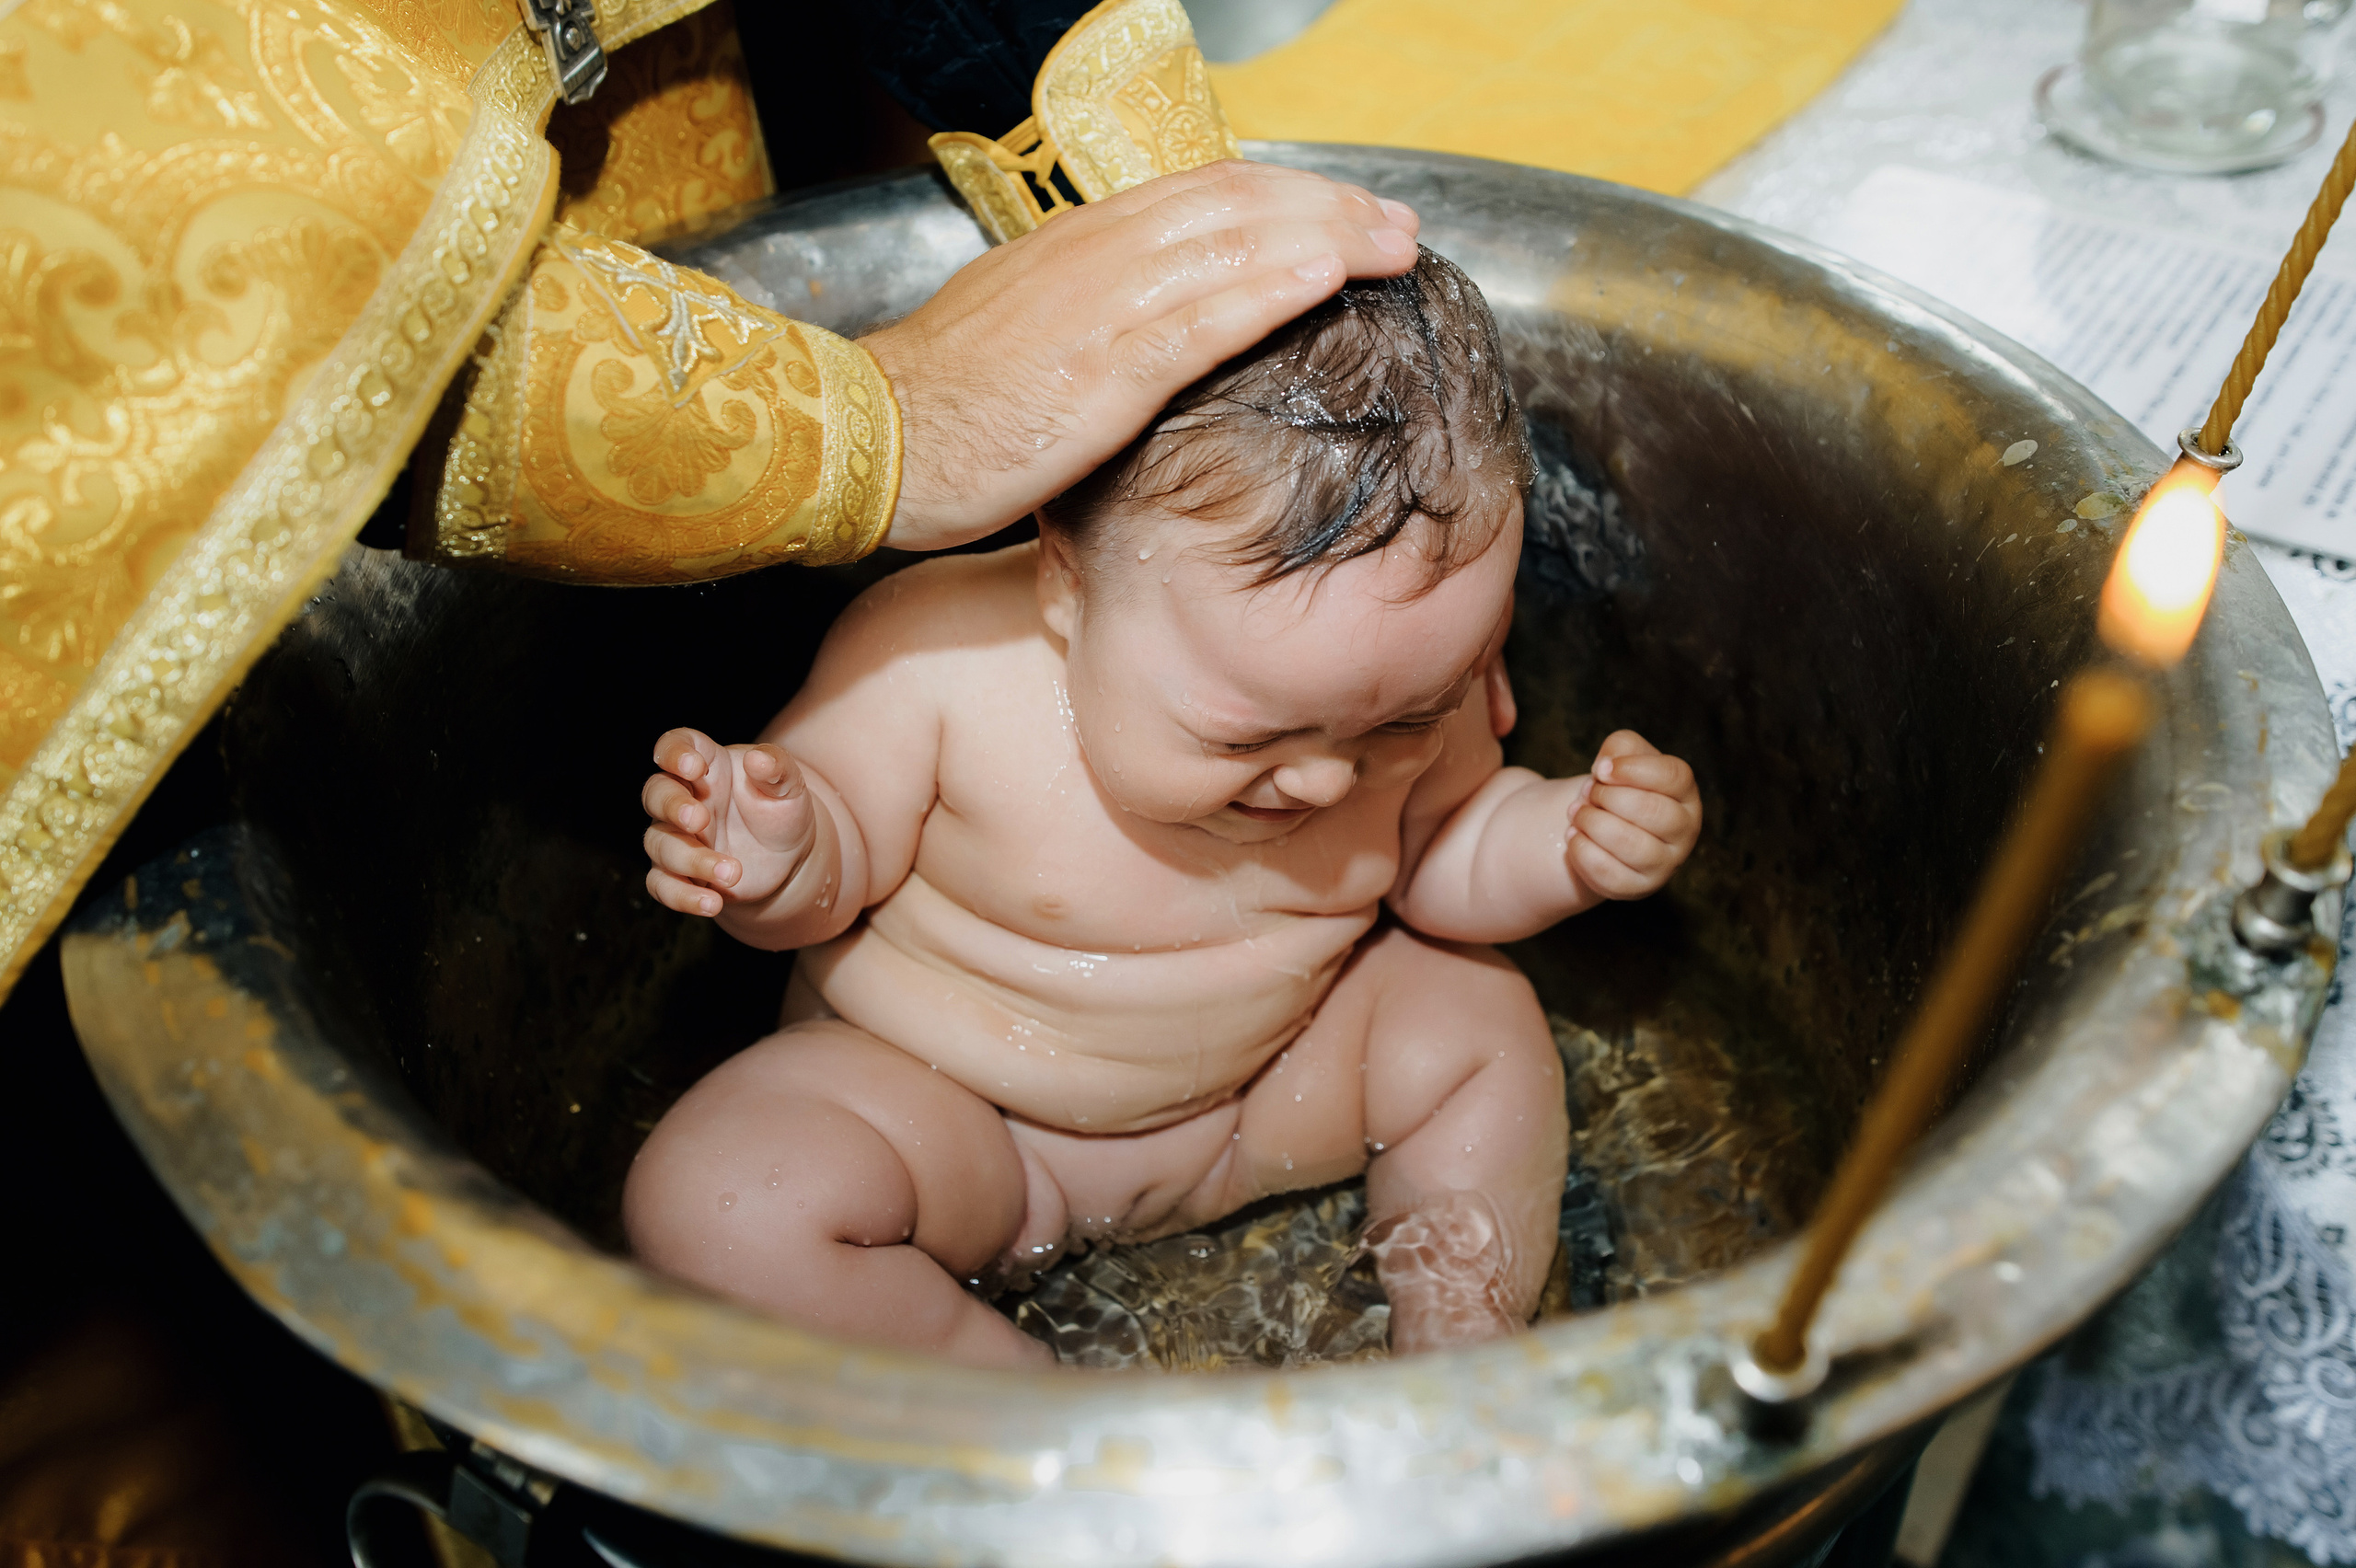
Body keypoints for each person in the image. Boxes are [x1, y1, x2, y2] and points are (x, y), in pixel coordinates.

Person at [625, 249, 1703, 1366]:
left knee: (1477, 1023)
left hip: (1257, 1105)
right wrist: (778, 855)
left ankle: (1456, 1338)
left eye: (1396, 726)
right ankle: (1030, 1422)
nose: (1329, 781)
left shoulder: (1399, 687)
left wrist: (1566, 844)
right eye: (1245, 736)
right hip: (958, 1121)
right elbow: (822, 882)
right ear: (1065, 580)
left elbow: (1441, 867)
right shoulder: (935, 661)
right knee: (722, 1200)